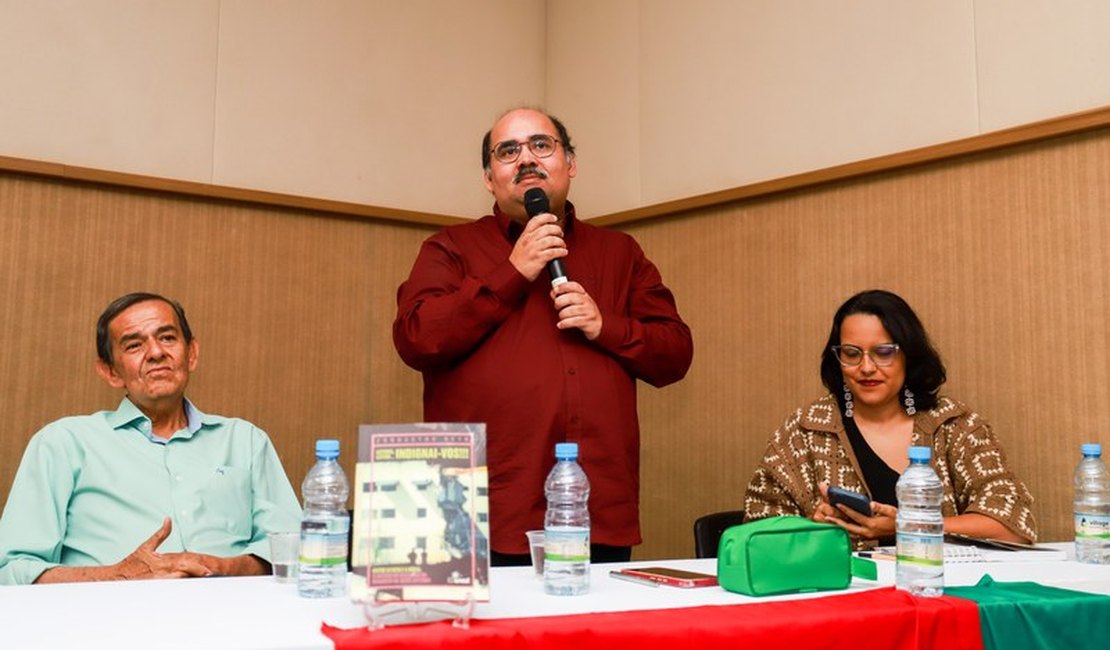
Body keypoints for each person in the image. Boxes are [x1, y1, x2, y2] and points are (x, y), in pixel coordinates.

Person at [393, 107, 693, 565]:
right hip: (477, 508)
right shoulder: (449, 248)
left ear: (569, 164)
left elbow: (674, 355)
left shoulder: (620, 253)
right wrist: (514, 270)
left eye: (541, 145)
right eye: (508, 151)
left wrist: (604, 325)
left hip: (593, 506)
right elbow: (417, 338)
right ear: (489, 179)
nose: (526, 159)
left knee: (591, 637)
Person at [0, 293, 302, 585]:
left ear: (192, 353)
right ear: (110, 371)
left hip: (236, 621)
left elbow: (296, 549)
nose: (156, 352)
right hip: (105, 624)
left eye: (168, 338)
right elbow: (12, 569)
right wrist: (117, 576)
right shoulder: (63, 443)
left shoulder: (245, 441)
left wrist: (224, 568)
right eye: (134, 345)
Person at [744, 289, 1037, 548]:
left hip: (936, 589)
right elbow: (756, 534)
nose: (866, 367)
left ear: (908, 355)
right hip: (843, 596)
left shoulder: (954, 425)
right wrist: (813, 528)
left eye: (883, 352)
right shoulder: (804, 430)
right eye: (851, 353)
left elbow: (1012, 525)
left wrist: (908, 525)